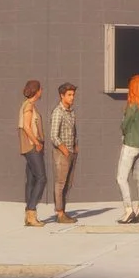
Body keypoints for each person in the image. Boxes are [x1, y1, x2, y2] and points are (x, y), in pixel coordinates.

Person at [116, 73, 139, 224]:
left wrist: (123, 127)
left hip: (130, 144)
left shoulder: (132, 106)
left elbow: (124, 125)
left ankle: (128, 209)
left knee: (121, 178)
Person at [48, 82, 81, 224]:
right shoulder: (58, 112)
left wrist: (75, 146)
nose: (72, 97)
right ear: (62, 96)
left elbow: (73, 131)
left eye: (73, 95)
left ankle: (63, 212)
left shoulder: (71, 112)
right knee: (60, 183)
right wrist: (65, 150)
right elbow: (53, 136)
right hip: (62, 153)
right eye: (69, 95)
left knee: (69, 184)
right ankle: (59, 213)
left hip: (72, 152)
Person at [18, 79, 46, 228]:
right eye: (41, 89)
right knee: (42, 178)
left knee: (31, 179)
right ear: (36, 91)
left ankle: (29, 215)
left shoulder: (29, 105)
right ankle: (31, 210)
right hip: (31, 147)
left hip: (30, 146)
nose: (42, 91)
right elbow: (27, 127)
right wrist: (36, 142)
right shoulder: (28, 106)